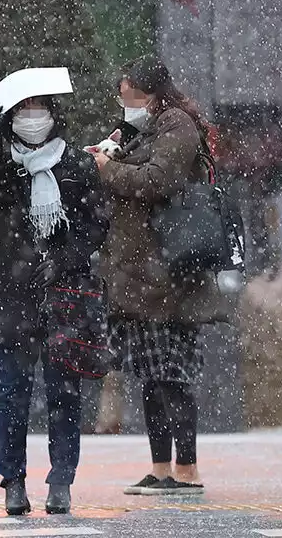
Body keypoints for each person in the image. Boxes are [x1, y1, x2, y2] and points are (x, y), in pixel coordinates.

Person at [0, 91, 107, 515]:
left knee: (64, 394)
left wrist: (63, 260)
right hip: (11, 296)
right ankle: (13, 481)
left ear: (54, 113)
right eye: (24, 110)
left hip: (62, 295)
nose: (33, 118)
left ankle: (61, 479)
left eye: (40, 109)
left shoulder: (77, 164)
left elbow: (96, 223)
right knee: (11, 394)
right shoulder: (5, 164)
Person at [95, 56, 217, 497]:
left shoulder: (177, 125)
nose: (127, 105)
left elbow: (158, 180)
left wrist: (112, 171)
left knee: (173, 375)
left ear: (154, 94)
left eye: (133, 97)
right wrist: (109, 152)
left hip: (169, 273)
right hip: (138, 276)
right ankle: (160, 468)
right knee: (150, 374)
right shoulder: (139, 130)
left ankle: (187, 469)